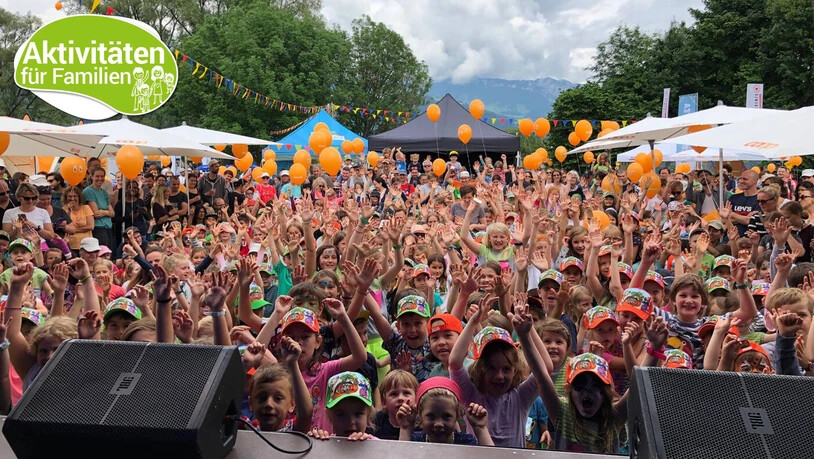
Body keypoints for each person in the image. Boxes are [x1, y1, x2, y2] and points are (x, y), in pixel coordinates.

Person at [397, 377, 493, 445]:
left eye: (446, 416)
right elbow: (401, 456)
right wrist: (406, 428)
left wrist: (480, 428)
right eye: (431, 416)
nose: (438, 424)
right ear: (420, 415)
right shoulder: (416, 441)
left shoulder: (465, 442)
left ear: (457, 415)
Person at [82, 167, 115, 248]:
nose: (100, 178)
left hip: (108, 226)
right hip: (98, 227)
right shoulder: (88, 191)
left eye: (102, 176)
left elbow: (113, 213)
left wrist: (104, 212)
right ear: (92, 176)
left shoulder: (104, 192)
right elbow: (96, 213)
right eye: (97, 176)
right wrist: (107, 212)